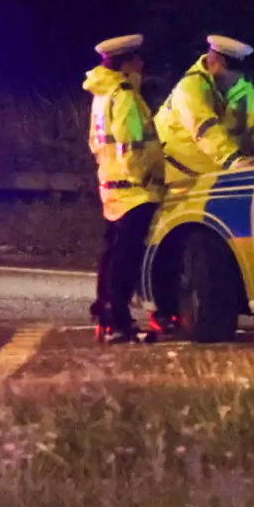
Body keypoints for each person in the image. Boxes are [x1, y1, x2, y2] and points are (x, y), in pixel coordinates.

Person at [83, 34, 166, 343]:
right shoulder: (126, 96)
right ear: (125, 62)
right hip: (135, 189)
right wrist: (148, 175)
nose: (142, 64)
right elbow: (132, 146)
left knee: (112, 252)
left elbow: (96, 143)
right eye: (137, 58)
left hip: (112, 185)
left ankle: (104, 313)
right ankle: (120, 319)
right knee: (127, 256)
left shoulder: (102, 94)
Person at [156, 35, 254, 182]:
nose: (237, 80)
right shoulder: (190, 87)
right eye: (233, 74)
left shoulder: (240, 84)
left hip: (213, 175)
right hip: (180, 178)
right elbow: (206, 129)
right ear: (215, 62)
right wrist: (233, 160)